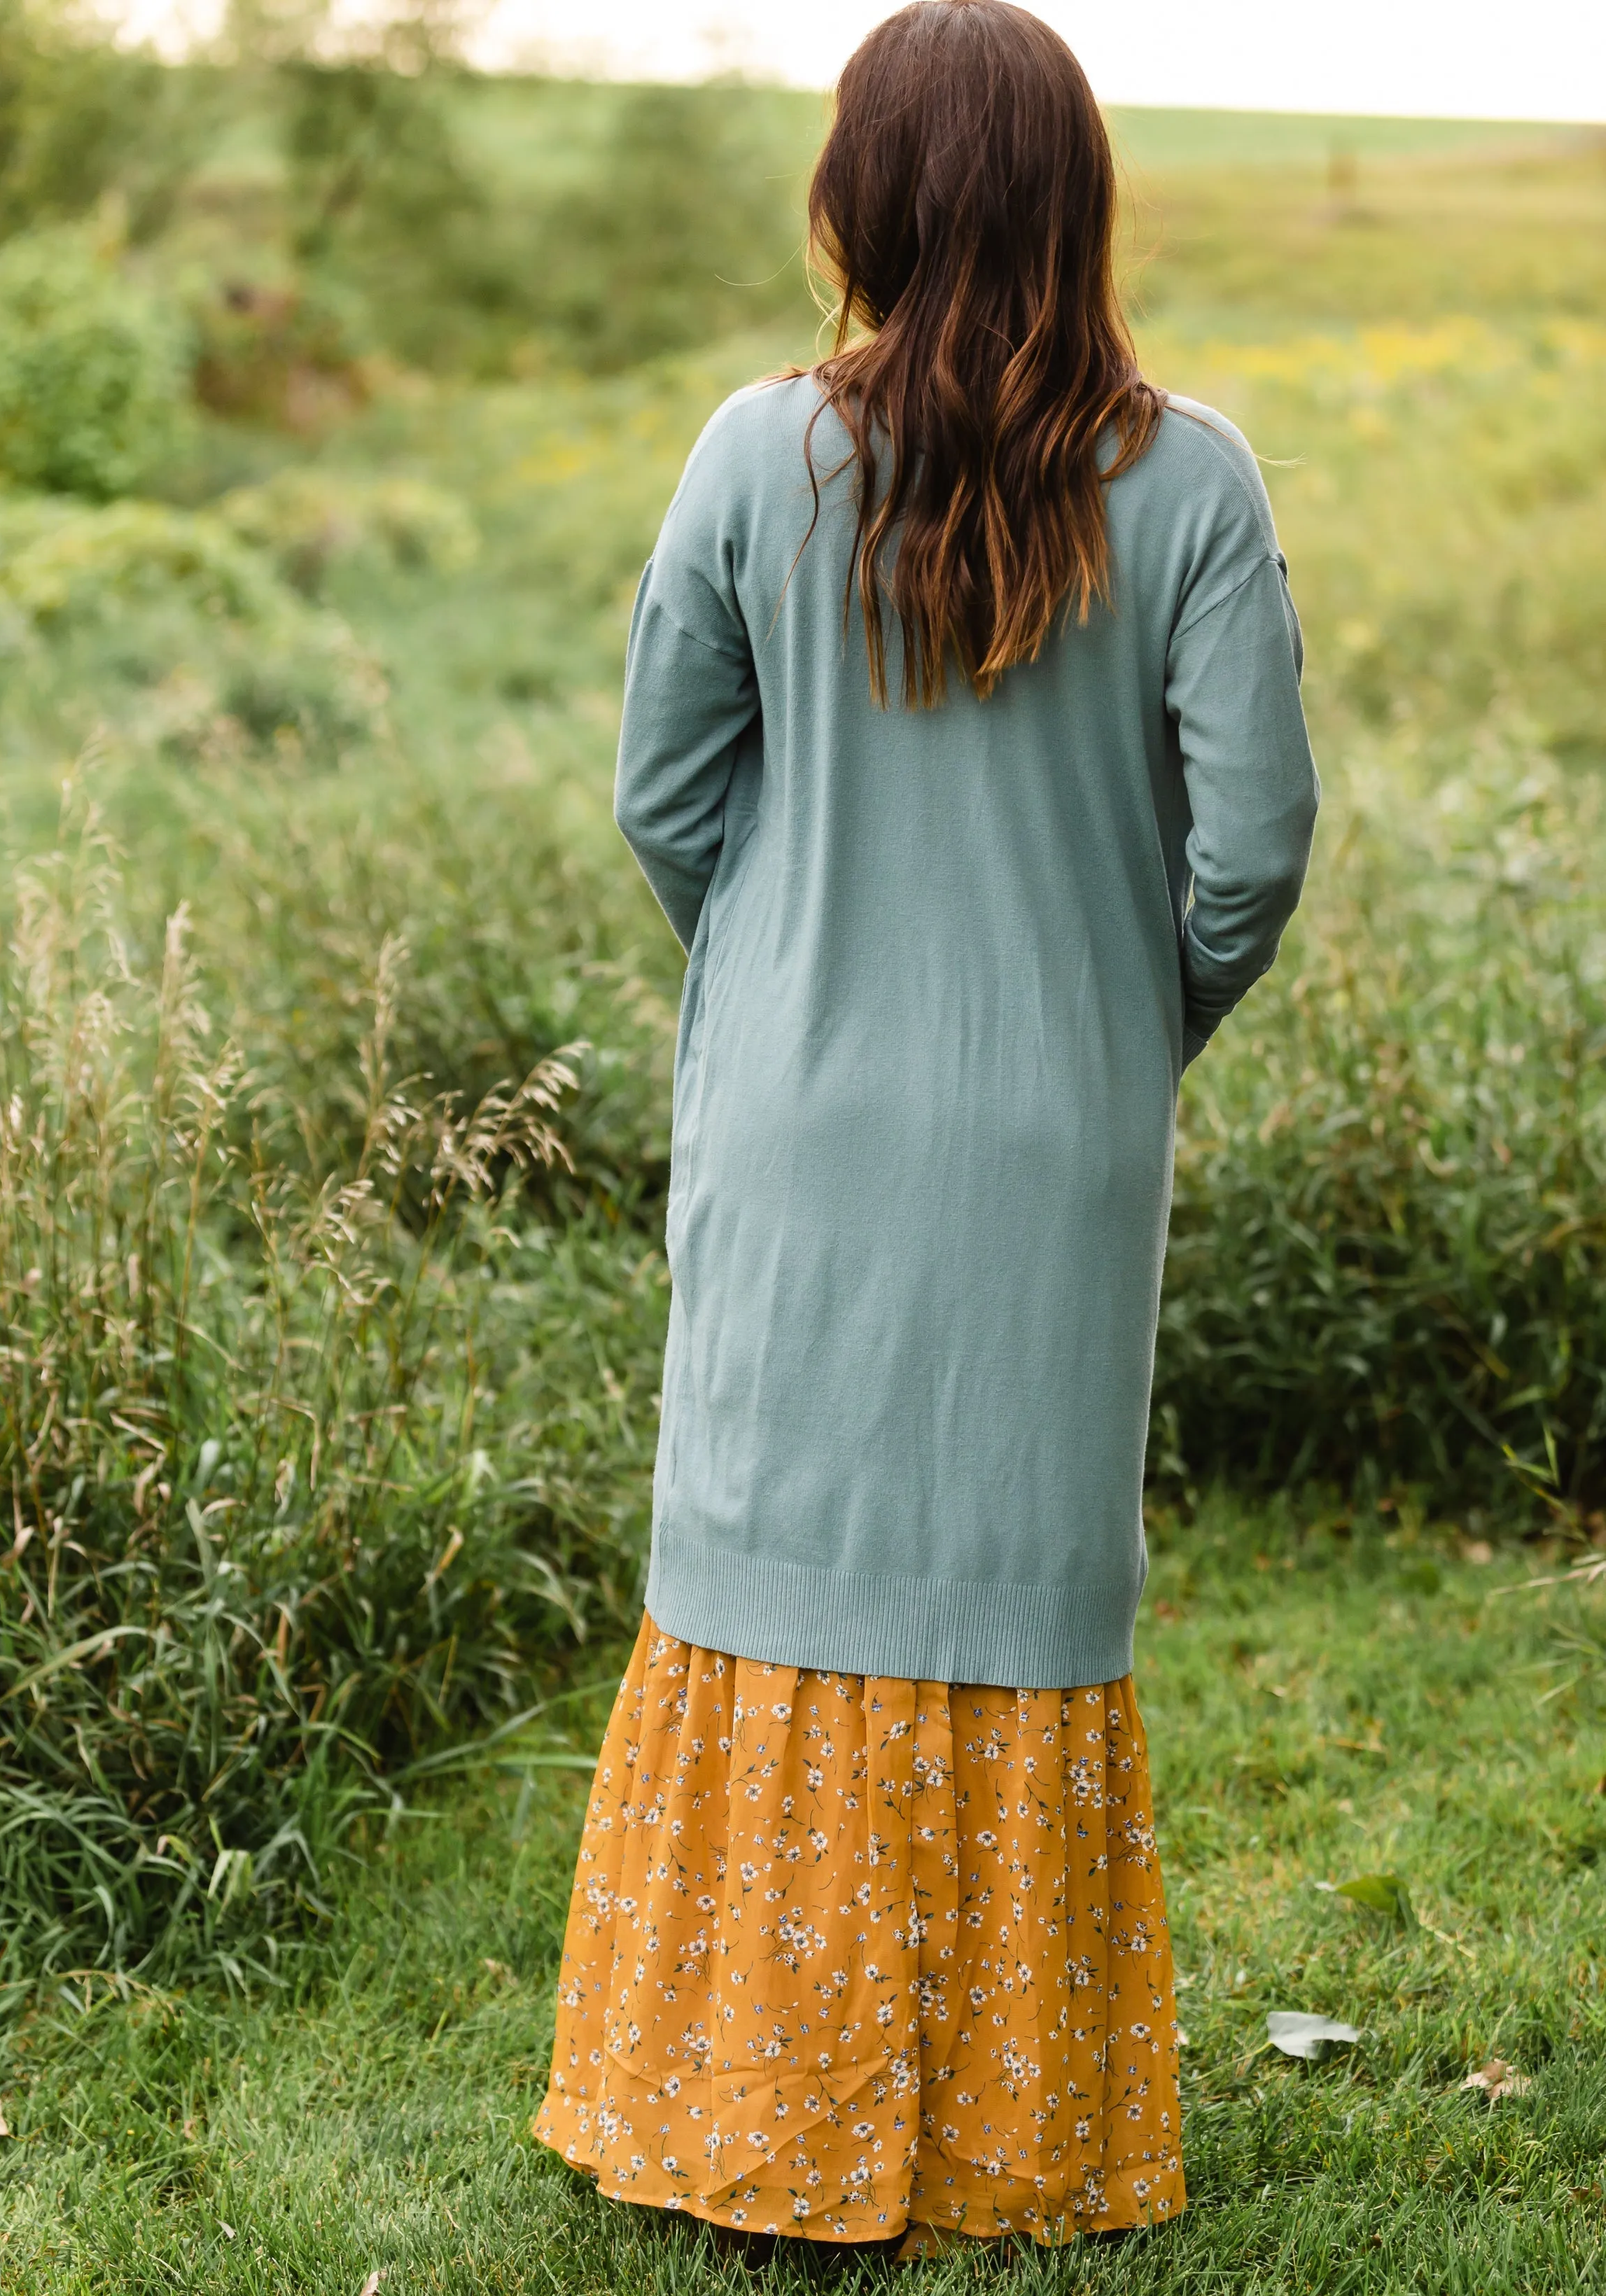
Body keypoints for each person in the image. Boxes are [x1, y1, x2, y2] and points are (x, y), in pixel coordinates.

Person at [533, 0, 1318, 2258]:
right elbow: (1249, 848)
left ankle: (743, 2110)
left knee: (772, 1556)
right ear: (1073, 202)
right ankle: (1008, 2132)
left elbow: (661, 796)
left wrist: (782, 957)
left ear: (855, 204)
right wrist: (1118, 1019)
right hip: (1059, 1129)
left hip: (795, 1112)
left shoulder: (747, 455)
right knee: (1014, 1584)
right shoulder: (1196, 481)